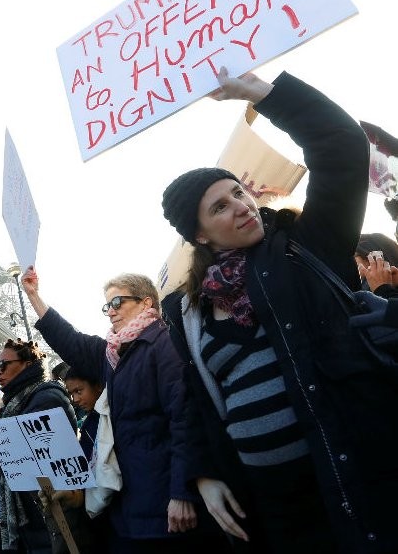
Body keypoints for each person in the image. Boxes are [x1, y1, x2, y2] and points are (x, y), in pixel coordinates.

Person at [160, 68, 398, 553]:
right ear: (200, 235)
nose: (241, 207)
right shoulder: (187, 311)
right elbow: (199, 399)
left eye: (238, 194)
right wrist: (203, 473)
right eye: (220, 207)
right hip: (275, 509)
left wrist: (260, 94)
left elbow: (342, 147)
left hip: (357, 475)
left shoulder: (307, 248)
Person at [24, 269, 221, 553]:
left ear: (146, 303)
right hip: (132, 504)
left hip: (164, 503)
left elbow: (184, 418)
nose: (111, 312)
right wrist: (34, 296)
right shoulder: (115, 355)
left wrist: (182, 491)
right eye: (107, 306)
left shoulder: (163, 344)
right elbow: (71, 341)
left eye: (118, 303)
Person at [0, 339, 83, 554]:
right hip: (37, 512)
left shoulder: (46, 397)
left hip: (52, 513)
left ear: (27, 364)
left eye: (4, 365)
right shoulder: (19, 401)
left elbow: (25, 449)